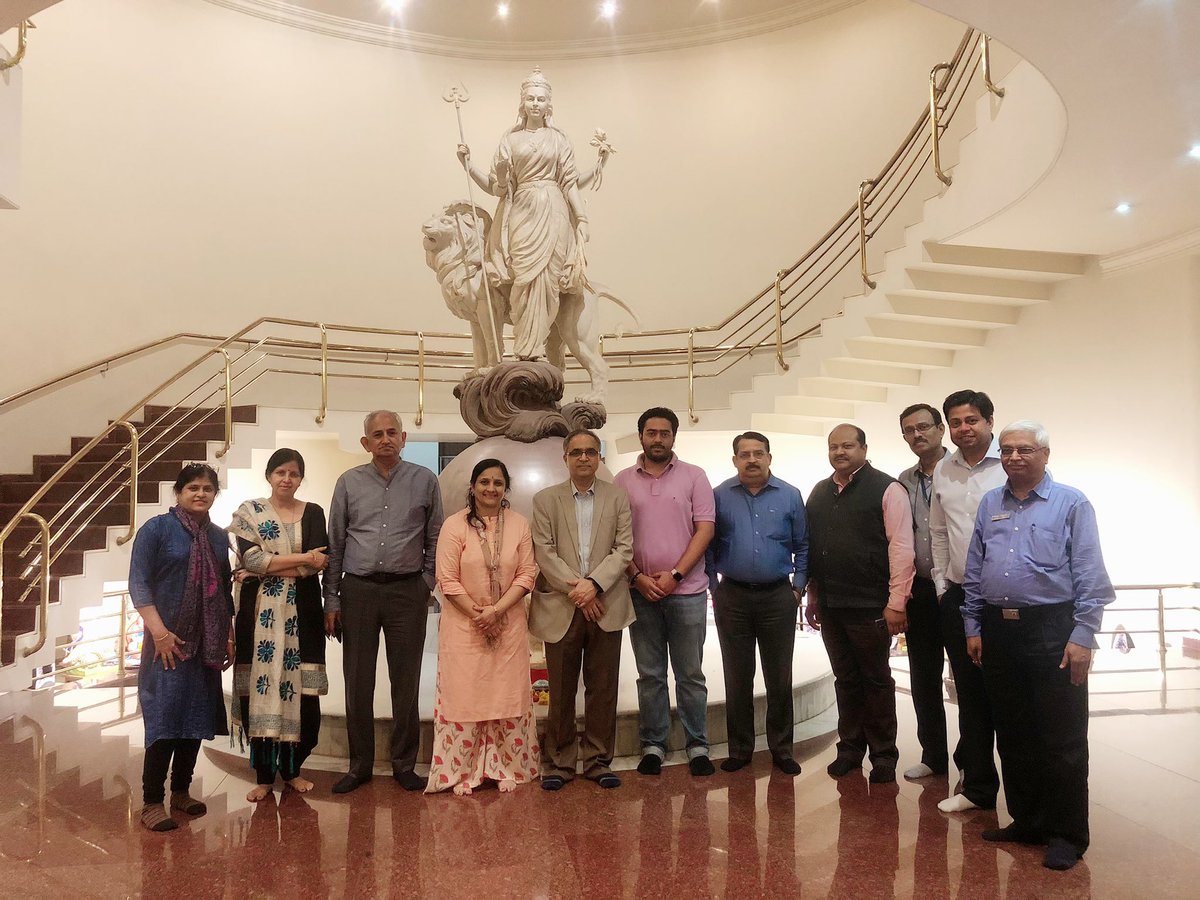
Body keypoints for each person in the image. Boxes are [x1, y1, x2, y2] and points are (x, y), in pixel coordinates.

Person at [963, 421, 1114, 871]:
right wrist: (973, 624)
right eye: (1007, 449)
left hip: (1052, 629)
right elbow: (975, 567)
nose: (1014, 457)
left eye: (1025, 449)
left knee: (1062, 737)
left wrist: (1083, 635)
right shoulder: (991, 503)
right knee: (1013, 733)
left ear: (1045, 454)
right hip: (999, 630)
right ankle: (1027, 821)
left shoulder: (1071, 502)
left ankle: (1066, 834)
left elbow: (1089, 573)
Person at [323, 411, 444, 794]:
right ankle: (359, 765)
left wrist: (426, 583)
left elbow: (436, 536)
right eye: (377, 434)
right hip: (358, 591)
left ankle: (404, 764)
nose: (386, 439)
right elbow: (336, 542)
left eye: (392, 432)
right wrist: (331, 598)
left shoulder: (425, 480)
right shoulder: (349, 482)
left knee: (405, 681)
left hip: (407, 591)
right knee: (358, 681)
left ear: (404, 438)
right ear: (366, 443)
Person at [456, 66, 601, 360]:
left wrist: (582, 219)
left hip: (554, 211)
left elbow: (569, 183)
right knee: (522, 278)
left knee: (549, 280)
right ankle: (524, 349)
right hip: (521, 211)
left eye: (541, 99)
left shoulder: (559, 139)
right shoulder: (510, 139)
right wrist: (468, 165)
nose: (535, 103)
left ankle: (537, 349)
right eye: (531, 98)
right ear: (522, 103)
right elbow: (497, 188)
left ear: (549, 105)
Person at [128, 463, 234, 832]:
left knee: (195, 719)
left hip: (206, 643)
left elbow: (224, 590)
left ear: (215, 494)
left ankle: (181, 792)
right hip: (166, 645)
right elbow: (139, 584)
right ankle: (151, 801)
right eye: (193, 488)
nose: (200, 494)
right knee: (165, 719)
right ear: (179, 492)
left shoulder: (218, 537)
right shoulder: (157, 529)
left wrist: (228, 635)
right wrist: (159, 633)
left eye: (207, 488)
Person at [806, 424, 914, 784]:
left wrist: (897, 602)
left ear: (864, 449)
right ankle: (850, 750)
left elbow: (901, 548)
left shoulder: (887, 489)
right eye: (833, 446)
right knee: (846, 680)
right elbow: (815, 549)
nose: (840, 452)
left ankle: (883, 755)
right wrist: (813, 596)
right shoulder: (820, 492)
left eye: (848, 445)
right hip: (831, 605)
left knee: (876, 681)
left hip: (870, 605)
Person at [426, 458, 539, 796]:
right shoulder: (454, 525)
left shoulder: (519, 524)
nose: (491, 488)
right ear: (473, 486)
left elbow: (527, 574)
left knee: (507, 695)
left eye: (498, 483)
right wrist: (480, 615)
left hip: (508, 625)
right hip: (464, 627)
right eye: (484, 482)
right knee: (466, 695)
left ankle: (508, 766)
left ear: (506, 489)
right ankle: (463, 770)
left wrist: (497, 611)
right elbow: (446, 579)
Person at [614, 407, 716, 777]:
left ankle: (697, 745)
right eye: (651, 432)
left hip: (687, 592)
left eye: (665, 433)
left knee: (690, 674)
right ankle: (653, 745)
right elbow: (615, 537)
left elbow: (705, 529)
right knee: (650, 675)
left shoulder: (694, 476)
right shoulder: (622, 480)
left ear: (674, 436)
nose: (658, 439)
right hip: (640, 592)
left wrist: (675, 574)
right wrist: (637, 577)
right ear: (641, 436)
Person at [530, 429, 634, 790]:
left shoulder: (618, 497)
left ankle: (597, 760)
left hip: (606, 604)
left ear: (599, 457)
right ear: (565, 458)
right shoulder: (546, 499)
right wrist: (580, 590)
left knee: (602, 688)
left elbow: (624, 548)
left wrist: (595, 585)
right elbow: (544, 551)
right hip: (563, 605)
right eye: (576, 452)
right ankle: (559, 762)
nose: (584, 458)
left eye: (591, 451)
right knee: (560, 690)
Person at [228, 448, 330, 802]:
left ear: (301, 478)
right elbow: (253, 560)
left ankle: (293, 771)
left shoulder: (313, 512)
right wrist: (302, 559)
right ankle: (263, 776)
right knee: (259, 689)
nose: (287, 479)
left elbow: (319, 563)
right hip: (258, 618)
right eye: (280, 472)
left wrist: (272, 565)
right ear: (269, 476)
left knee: (304, 696)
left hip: (304, 615)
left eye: (294, 473)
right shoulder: (249, 513)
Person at [707, 431, 808, 776]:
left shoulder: (790, 495)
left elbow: (803, 546)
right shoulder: (719, 495)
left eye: (758, 453)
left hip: (778, 596)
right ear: (735, 459)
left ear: (769, 457)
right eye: (745, 454)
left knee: (779, 677)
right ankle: (740, 750)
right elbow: (708, 546)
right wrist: (714, 588)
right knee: (737, 677)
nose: (752, 459)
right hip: (732, 596)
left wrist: (798, 588)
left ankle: (782, 749)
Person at [929, 389, 1005, 813]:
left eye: (972, 420)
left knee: (1009, 696)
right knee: (970, 696)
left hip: (1006, 600)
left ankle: (1026, 796)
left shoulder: (1010, 463)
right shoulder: (944, 469)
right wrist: (942, 584)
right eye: (956, 422)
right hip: (959, 597)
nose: (964, 428)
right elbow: (939, 532)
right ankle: (977, 788)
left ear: (989, 421)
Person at [896, 404, 950, 780]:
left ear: (940, 429)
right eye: (909, 430)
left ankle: (972, 761)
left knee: (969, 679)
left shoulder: (962, 472)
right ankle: (933, 755)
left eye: (924, 427)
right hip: (921, 590)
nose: (917, 434)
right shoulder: (904, 480)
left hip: (958, 591)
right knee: (923, 677)